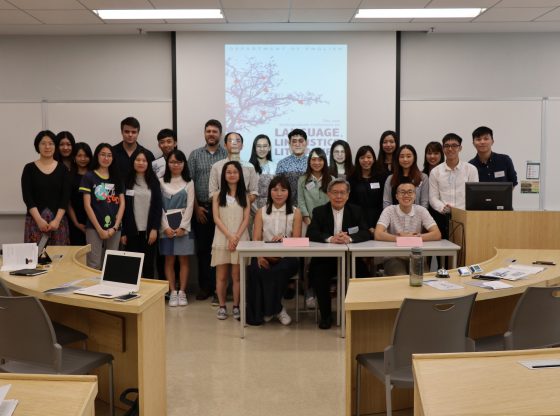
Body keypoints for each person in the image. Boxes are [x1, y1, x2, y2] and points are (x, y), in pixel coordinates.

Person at [307, 178, 370, 329]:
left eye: (342, 193)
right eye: (335, 193)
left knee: (363, 275)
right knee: (318, 275)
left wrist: (349, 238)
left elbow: (366, 232)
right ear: (328, 194)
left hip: (349, 258)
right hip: (325, 259)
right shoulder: (319, 211)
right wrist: (330, 239)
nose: (339, 196)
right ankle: (326, 316)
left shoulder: (356, 211)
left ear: (348, 195)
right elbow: (312, 233)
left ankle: (356, 314)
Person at [247, 175, 302, 326]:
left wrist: (285, 239)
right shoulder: (261, 212)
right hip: (264, 255)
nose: (279, 193)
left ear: (289, 192)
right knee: (255, 270)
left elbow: (298, 240)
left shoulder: (296, 212)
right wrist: (259, 257)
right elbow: (256, 239)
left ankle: (271, 309)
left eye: (283, 190)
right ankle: (277, 309)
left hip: (287, 257)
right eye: (275, 189)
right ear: (269, 191)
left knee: (277, 271)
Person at [188, 119, 228, 302]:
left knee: (221, 249)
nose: (211, 134)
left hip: (223, 210)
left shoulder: (227, 155)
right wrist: (196, 208)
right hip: (202, 209)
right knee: (203, 250)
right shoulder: (195, 155)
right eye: (208, 131)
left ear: (220, 134)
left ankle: (220, 289)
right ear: (204, 133)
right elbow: (189, 184)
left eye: (215, 131)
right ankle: (205, 287)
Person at [211, 161, 250, 321]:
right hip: (222, 239)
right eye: (228, 172)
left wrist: (236, 237)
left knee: (237, 277)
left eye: (235, 172)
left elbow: (246, 219)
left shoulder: (245, 196)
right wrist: (230, 236)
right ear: (224, 175)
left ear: (240, 175)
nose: (232, 174)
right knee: (221, 277)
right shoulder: (217, 195)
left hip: (241, 239)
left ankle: (236, 306)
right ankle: (221, 306)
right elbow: (216, 218)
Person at [375, 183, 441, 275]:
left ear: (415, 195)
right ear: (396, 196)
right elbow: (378, 234)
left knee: (424, 278)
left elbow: (437, 234)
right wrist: (400, 238)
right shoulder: (389, 210)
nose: (406, 195)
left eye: (410, 192)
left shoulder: (421, 210)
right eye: (402, 192)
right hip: (394, 256)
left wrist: (417, 237)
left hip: (417, 256)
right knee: (400, 277)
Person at [21, 130, 71, 245]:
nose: (47, 147)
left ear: (55, 146)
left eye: (51, 143)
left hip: (58, 222)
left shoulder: (63, 169)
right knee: (34, 260)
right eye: (43, 143)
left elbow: (65, 197)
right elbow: (27, 197)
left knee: (59, 259)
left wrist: (57, 220)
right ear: (37, 146)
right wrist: (39, 220)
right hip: (35, 221)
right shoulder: (29, 168)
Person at [158, 150, 195, 306]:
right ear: (168, 163)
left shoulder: (189, 182)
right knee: (169, 260)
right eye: (172, 162)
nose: (175, 165)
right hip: (165, 228)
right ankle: (172, 291)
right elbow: (158, 207)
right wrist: (165, 227)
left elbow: (190, 205)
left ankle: (182, 292)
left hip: (184, 228)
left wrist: (183, 227)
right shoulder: (160, 181)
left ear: (183, 164)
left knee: (184, 260)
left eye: (179, 162)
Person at [80, 143, 125, 269]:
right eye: (103, 155)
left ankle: (110, 289)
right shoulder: (89, 177)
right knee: (94, 264)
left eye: (109, 155)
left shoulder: (117, 177)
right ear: (97, 156)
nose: (106, 158)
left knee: (111, 263)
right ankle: (92, 289)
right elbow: (87, 205)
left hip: (114, 228)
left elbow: (122, 204)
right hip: (94, 228)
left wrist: (115, 227)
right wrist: (100, 229)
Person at [121, 149, 163, 279]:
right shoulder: (126, 181)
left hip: (149, 231)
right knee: (131, 265)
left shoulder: (154, 182)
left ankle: (148, 298)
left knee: (148, 265)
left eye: (144, 160)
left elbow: (157, 206)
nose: (141, 163)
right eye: (138, 160)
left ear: (148, 163)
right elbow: (123, 209)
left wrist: (154, 229)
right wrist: (123, 232)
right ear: (133, 162)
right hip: (131, 231)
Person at [429, 133, 479, 217]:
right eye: (447, 146)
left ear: (460, 148)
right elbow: (433, 197)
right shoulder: (435, 171)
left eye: (454, 145)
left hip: (465, 215)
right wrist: (443, 208)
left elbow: (474, 196)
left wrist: (459, 211)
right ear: (443, 149)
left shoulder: (471, 169)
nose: (450, 149)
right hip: (443, 216)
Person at [208, 132, 258, 204]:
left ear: (242, 146)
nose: (234, 143)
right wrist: (228, 206)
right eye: (231, 141)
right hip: (222, 209)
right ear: (225, 145)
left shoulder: (250, 167)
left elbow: (253, 192)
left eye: (237, 141)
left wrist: (239, 205)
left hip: (244, 209)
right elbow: (212, 193)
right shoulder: (216, 166)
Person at [348, 145, 386, 239]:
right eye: (362, 157)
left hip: (379, 219)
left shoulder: (381, 177)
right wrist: (366, 227)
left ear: (373, 159)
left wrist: (378, 225)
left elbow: (384, 201)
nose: (366, 160)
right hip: (358, 220)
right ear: (358, 160)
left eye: (369, 157)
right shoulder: (352, 178)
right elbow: (351, 204)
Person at [297, 148, 334, 226]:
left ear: (324, 162)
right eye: (313, 159)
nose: (316, 163)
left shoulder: (332, 180)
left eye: (320, 160)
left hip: (328, 221)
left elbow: (334, 201)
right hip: (308, 221)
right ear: (309, 161)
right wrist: (307, 218)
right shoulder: (302, 180)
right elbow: (301, 201)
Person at [67, 142, 92, 246]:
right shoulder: (68, 176)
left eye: (86, 156)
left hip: (93, 221)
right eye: (79, 155)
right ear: (74, 157)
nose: (83, 159)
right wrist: (76, 223)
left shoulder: (94, 175)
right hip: (75, 221)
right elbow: (68, 203)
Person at [275, 128, 308, 206]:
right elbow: (278, 187)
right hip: (288, 206)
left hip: (309, 206)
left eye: (301, 141)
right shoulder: (282, 164)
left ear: (306, 143)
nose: (297, 144)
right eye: (294, 141)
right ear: (289, 143)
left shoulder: (313, 163)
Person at [248, 134, 277, 209]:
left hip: (271, 207)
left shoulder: (275, 166)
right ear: (255, 148)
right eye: (259, 146)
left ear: (269, 148)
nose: (262, 149)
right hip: (251, 208)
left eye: (265, 146)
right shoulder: (247, 167)